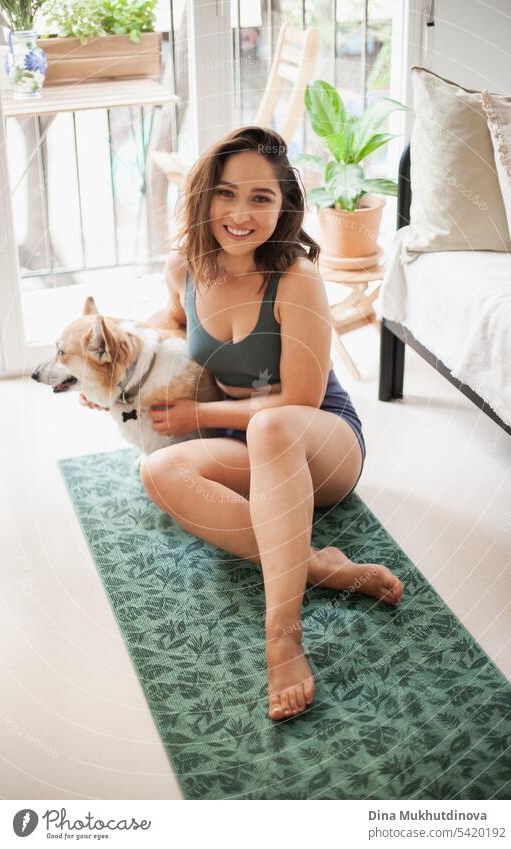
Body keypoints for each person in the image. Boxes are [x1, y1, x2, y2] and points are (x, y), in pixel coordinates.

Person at [81, 125, 403, 721]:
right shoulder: (187, 266)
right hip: (248, 438)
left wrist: (199, 413)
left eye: (261, 197)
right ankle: (314, 564)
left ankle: (282, 635)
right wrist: (117, 375)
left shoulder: (298, 279)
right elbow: (175, 323)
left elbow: (298, 400)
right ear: (205, 196)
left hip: (319, 439)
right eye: (227, 193)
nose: (240, 213)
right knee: (158, 469)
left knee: (271, 429)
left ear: (283, 207)